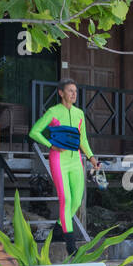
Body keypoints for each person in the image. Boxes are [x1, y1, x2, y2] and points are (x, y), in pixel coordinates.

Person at [28, 78, 100, 254]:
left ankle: (58, 230)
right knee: (66, 199)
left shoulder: (79, 114)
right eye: (70, 91)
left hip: (76, 159)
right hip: (59, 159)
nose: (74, 94)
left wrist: (91, 158)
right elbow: (34, 132)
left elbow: (82, 139)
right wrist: (51, 145)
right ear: (61, 93)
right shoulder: (53, 112)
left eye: (75, 91)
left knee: (76, 200)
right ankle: (70, 244)